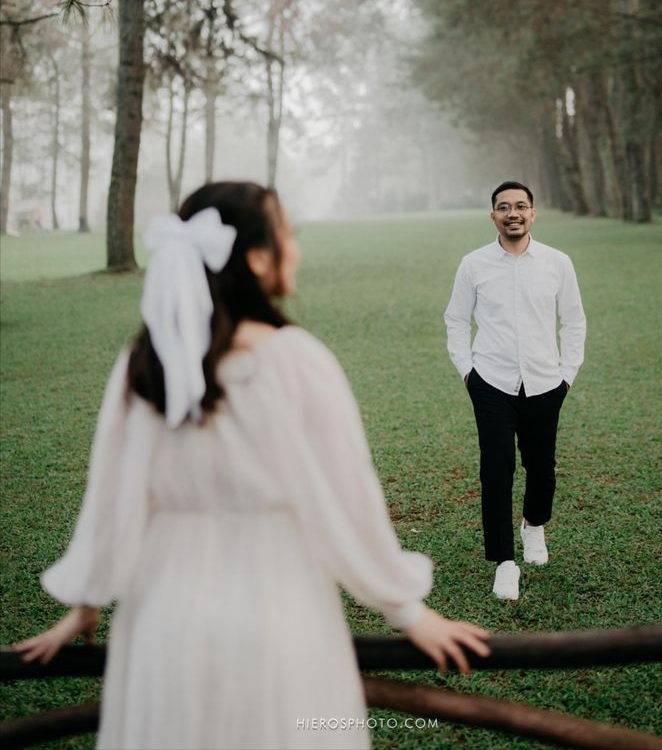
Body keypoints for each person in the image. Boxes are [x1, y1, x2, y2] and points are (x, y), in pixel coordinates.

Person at [15, 182, 490, 750]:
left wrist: (85, 605)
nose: (297, 249)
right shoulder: (296, 359)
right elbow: (346, 500)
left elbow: (113, 495)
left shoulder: (142, 362)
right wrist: (407, 610)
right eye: (289, 234)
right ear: (261, 256)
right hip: (277, 606)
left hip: (162, 618)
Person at [444, 181, 586, 602]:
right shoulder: (473, 264)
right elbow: (455, 320)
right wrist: (468, 373)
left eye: (520, 206)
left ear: (532, 213)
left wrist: (567, 375)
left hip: (546, 382)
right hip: (490, 381)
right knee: (496, 467)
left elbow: (574, 321)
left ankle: (534, 525)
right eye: (504, 207)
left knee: (542, 468)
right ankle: (505, 563)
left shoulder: (558, 263)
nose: (513, 213)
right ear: (493, 216)